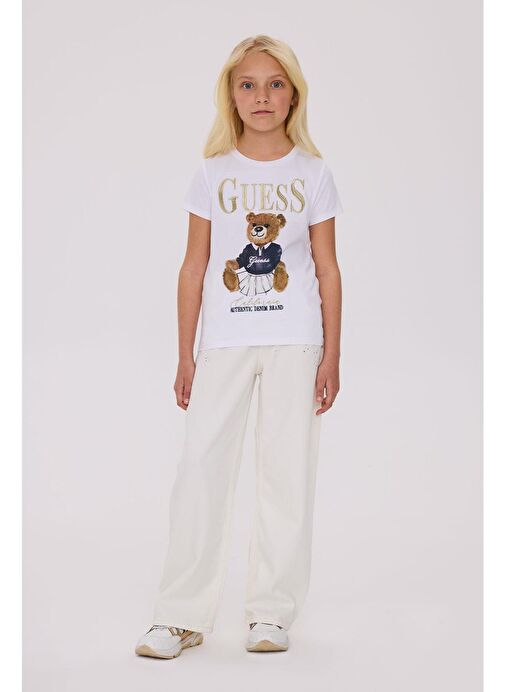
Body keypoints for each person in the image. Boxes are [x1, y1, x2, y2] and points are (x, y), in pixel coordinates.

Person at [135, 33, 344, 659]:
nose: (262, 96)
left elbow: (327, 268)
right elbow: (193, 266)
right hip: (223, 343)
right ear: (230, 95)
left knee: (287, 477)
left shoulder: (313, 173)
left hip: (295, 342)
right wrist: (185, 353)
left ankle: (270, 614)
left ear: (293, 95)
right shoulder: (212, 172)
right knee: (200, 471)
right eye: (248, 84)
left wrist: (332, 354)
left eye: (275, 84)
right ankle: (180, 616)